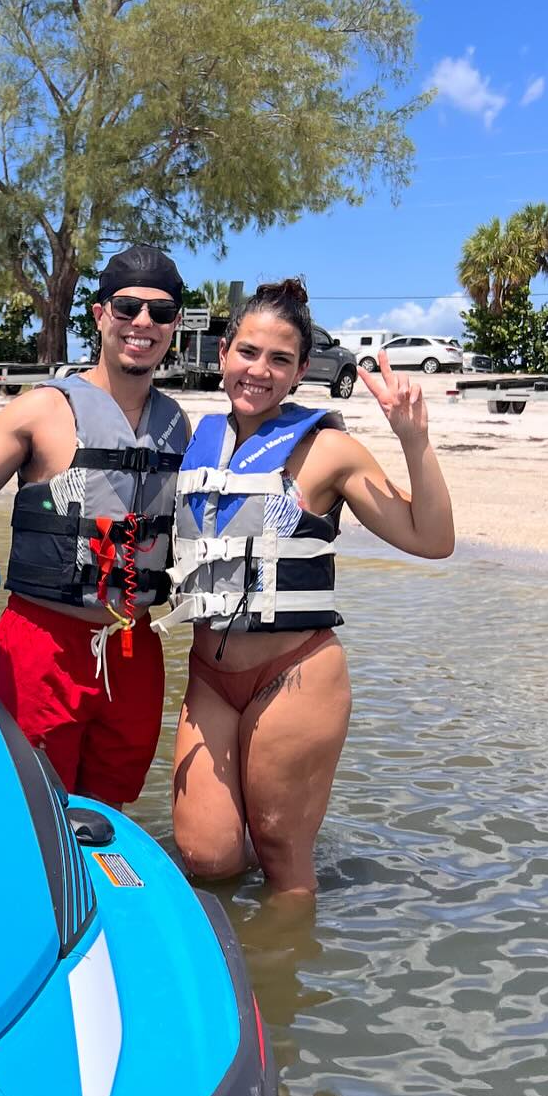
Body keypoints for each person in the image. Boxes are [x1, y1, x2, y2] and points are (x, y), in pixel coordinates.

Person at [157, 278, 454, 897]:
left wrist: (414, 440)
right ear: (222, 354)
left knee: (282, 855)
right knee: (207, 855)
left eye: (280, 359)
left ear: (299, 373)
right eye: (247, 352)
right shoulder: (194, 443)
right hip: (211, 678)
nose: (259, 370)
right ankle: (245, 950)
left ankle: (289, 952)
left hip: (293, 673)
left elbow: (432, 539)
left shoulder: (330, 451)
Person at [0, 245, 190, 807]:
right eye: (127, 307)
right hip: (44, 648)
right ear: (100, 315)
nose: (142, 323)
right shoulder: (40, 409)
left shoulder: (177, 425)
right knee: (29, 808)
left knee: (109, 813)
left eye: (160, 312)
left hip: (133, 651)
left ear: (174, 325)